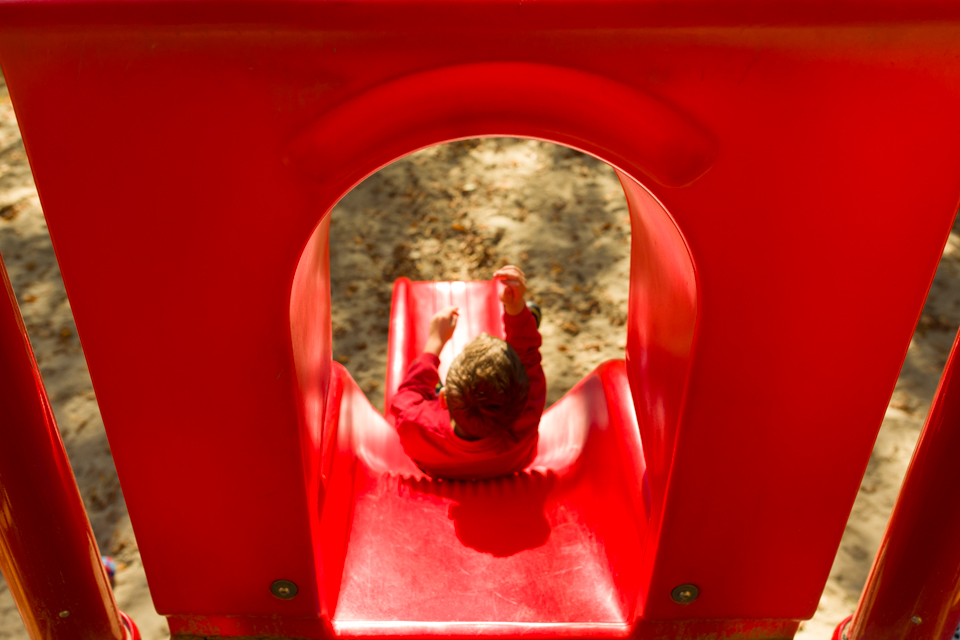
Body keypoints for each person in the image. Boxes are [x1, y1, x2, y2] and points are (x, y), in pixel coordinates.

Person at [390, 265, 546, 480]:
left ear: (443, 398)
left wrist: (435, 343)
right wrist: (517, 309)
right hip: (510, 465)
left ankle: (441, 387)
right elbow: (528, 355)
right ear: (521, 401)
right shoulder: (528, 415)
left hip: (439, 470)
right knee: (521, 357)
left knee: (422, 374)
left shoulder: (416, 423)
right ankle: (529, 319)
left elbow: (408, 393)